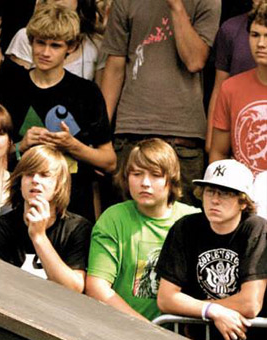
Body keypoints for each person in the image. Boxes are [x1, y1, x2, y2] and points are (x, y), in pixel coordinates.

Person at [0, 4, 115, 222]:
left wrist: (72, 145)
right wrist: (22, 145)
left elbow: (109, 161)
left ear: (70, 47)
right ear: (30, 41)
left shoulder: (86, 92)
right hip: (21, 205)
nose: (45, 52)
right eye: (40, 42)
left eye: (55, 45)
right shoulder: (12, 88)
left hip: (74, 208)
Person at [99, 0, 221, 205]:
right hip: (130, 130)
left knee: (183, 227)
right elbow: (114, 67)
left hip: (182, 136)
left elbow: (195, 61)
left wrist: (176, 6)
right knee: (124, 222)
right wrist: (100, 136)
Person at [156, 159, 266, 340]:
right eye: (209, 191)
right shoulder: (185, 228)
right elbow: (166, 298)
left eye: (225, 193)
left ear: (243, 202)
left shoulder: (256, 228)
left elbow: (250, 304)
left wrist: (196, 306)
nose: (215, 200)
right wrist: (213, 312)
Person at [85, 138, 199, 320]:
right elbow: (97, 287)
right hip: (123, 332)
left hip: (182, 337)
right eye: (137, 174)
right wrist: (145, 328)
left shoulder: (194, 221)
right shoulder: (114, 218)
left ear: (171, 180)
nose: (145, 183)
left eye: (155, 175)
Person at [0, 145, 93, 293]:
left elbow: (74, 288)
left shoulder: (77, 228)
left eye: (44, 175)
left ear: (58, 185)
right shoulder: (0, 228)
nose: (35, 180)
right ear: (20, 182)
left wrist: (39, 237)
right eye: (29, 174)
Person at [209, 2, 267, 176]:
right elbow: (218, 152)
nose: (261, 43)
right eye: (255, 35)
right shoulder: (231, 88)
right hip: (242, 196)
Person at [6, 0, 102, 81]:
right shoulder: (25, 36)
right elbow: (15, 85)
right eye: (41, 43)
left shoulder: (95, 44)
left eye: (55, 45)